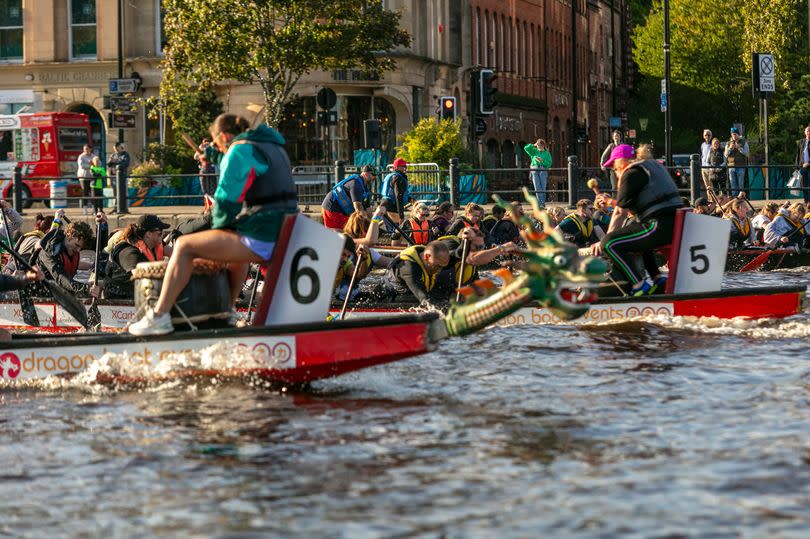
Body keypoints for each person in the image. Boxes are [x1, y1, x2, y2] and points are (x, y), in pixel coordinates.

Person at [129, 113, 298, 335]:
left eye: (217, 142)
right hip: (286, 233)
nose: (220, 148)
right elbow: (241, 162)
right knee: (236, 259)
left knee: (184, 246)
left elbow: (226, 201)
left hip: (263, 234)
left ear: (225, 135)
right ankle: (226, 313)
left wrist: (218, 231)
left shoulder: (239, 150)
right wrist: (213, 155)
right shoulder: (271, 146)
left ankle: (159, 317)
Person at [593, 143, 683, 296]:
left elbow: (620, 213)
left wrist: (604, 241)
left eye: (615, 168)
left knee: (610, 243)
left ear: (622, 161)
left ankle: (639, 285)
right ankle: (658, 278)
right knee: (637, 230)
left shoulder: (631, 173)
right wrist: (610, 202)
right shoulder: (651, 167)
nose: (615, 173)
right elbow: (631, 208)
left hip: (659, 226)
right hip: (673, 225)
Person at [430, 228, 521, 303]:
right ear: (465, 242)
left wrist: (505, 291)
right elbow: (466, 257)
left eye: (481, 247)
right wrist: (501, 248)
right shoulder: (449, 244)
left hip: (452, 298)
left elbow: (478, 287)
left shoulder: (473, 258)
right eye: (477, 247)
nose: (479, 250)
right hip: (432, 300)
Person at [33, 214, 106, 298]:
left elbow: (99, 246)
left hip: (60, 292)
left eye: (81, 248)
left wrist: (102, 225)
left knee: (101, 285)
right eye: (77, 246)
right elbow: (61, 277)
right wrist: (86, 289)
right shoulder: (49, 250)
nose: (78, 250)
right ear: (68, 237)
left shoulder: (74, 243)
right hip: (40, 294)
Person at [103, 214, 172, 299]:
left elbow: (176, 253)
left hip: (138, 292)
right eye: (160, 232)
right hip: (119, 297)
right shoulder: (129, 252)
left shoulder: (155, 243)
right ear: (149, 234)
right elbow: (142, 277)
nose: (163, 234)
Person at [378, 240, 450, 305]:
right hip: (389, 298)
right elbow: (423, 298)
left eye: (443, 267)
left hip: (410, 294)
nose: (439, 271)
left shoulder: (434, 258)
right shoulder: (408, 267)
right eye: (438, 266)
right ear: (427, 257)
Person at [321, 165, 375, 230]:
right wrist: (369, 225)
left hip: (342, 210)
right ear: (366, 174)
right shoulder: (356, 184)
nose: (375, 177)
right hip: (332, 207)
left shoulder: (365, 188)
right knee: (343, 232)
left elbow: (368, 210)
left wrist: (374, 224)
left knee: (354, 231)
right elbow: (358, 207)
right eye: (373, 175)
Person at [523, 138, 552, 206]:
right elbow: (526, 148)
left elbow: (549, 163)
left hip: (542, 169)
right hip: (535, 169)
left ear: (544, 146)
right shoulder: (534, 151)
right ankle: (540, 203)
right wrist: (533, 145)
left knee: (542, 187)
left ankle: (542, 203)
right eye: (538, 145)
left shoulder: (547, 153)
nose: (540, 147)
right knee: (537, 187)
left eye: (541, 145)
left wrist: (542, 161)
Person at [379, 158, 409, 224]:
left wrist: (411, 199)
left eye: (405, 166)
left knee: (391, 230)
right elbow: (398, 196)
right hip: (391, 207)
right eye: (403, 166)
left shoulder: (391, 176)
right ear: (397, 167)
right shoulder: (398, 178)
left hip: (384, 205)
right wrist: (401, 216)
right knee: (395, 231)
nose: (405, 168)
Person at [724, 127, 749, 197]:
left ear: (738, 134)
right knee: (733, 183)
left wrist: (739, 148)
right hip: (731, 166)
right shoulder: (728, 143)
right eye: (732, 134)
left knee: (741, 183)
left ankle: (741, 198)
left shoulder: (744, 142)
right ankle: (735, 199)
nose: (734, 136)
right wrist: (730, 148)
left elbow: (747, 153)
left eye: (735, 134)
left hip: (741, 165)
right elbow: (725, 155)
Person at [77, 144, 94, 215]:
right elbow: (81, 166)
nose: (86, 150)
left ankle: (94, 209)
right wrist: (91, 165)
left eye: (87, 148)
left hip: (92, 177)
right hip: (83, 177)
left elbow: (98, 163)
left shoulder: (93, 156)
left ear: (90, 149)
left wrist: (92, 165)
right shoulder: (81, 156)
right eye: (84, 149)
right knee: (85, 193)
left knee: (93, 193)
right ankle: (85, 209)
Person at [794, 125, 810, 203]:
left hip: (809, 167)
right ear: (804, 132)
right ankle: (806, 200)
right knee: (804, 184)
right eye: (807, 131)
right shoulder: (801, 142)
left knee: (809, 184)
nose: (808, 132)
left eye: (809, 131)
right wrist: (796, 167)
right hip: (802, 166)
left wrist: (808, 163)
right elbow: (798, 154)